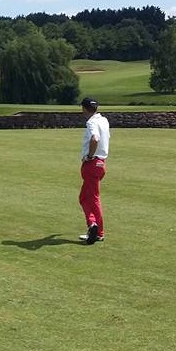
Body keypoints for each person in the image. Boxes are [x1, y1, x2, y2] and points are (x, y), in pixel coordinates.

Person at [78, 98, 110, 245]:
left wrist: (89, 156)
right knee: (84, 198)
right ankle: (92, 225)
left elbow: (95, 139)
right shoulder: (104, 120)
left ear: (84, 109)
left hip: (92, 163)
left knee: (93, 198)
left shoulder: (91, 122)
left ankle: (98, 231)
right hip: (101, 164)